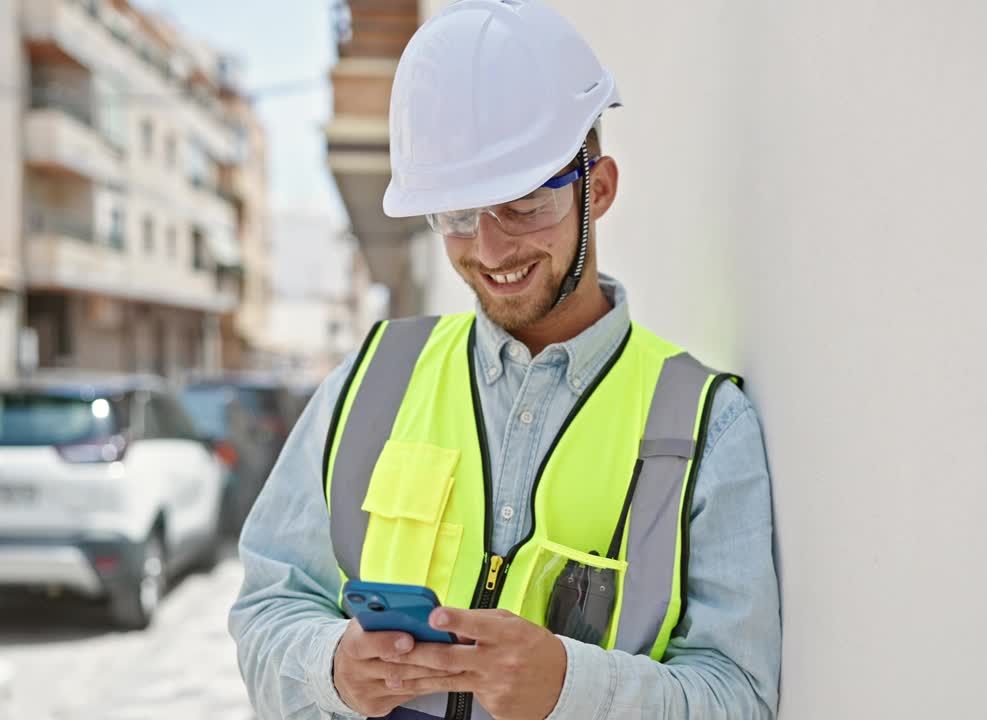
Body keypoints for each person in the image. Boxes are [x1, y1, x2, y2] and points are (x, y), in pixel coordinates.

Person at [228, 1, 780, 718]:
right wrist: (328, 667)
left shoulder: (708, 427)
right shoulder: (369, 382)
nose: (490, 251)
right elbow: (269, 609)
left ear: (599, 189)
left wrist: (570, 688)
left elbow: (738, 697)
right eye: (457, 215)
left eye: (523, 205)